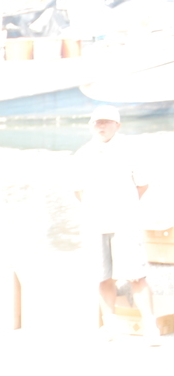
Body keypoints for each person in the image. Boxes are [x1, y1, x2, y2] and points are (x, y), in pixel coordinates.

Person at [72, 105, 157, 342]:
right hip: (95, 224)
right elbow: (78, 191)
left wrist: (125, 209)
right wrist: (96, 211)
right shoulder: (83, 154)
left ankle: (151, 328)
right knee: (103, 276)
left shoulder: (130, 150)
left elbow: (143, 184)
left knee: (136, 276)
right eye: (97, 122)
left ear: (117, 125)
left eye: (106, 122)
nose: (101, 126)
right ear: (91, 126)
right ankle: (110, 327)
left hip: (125, 224)